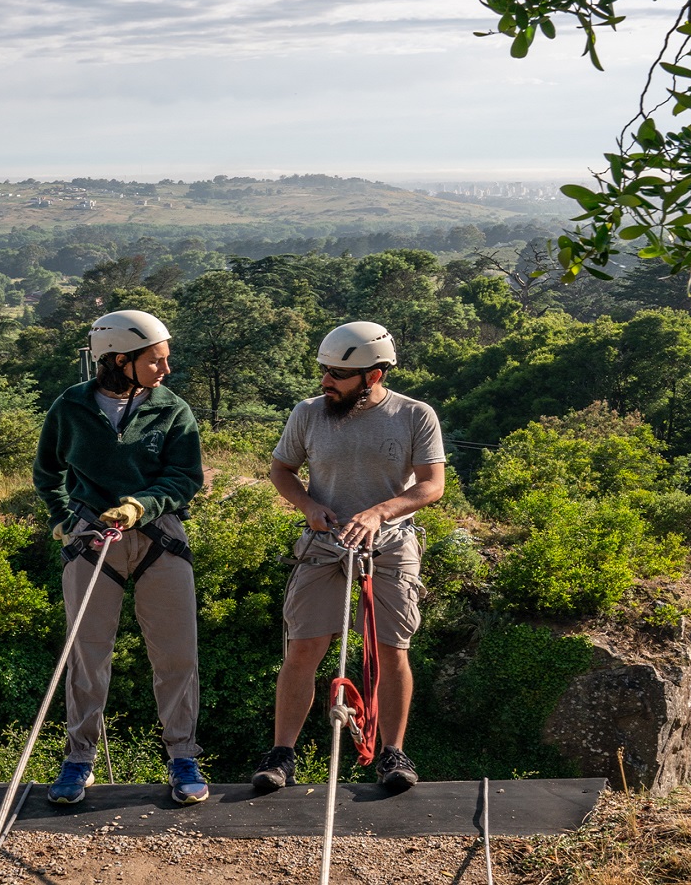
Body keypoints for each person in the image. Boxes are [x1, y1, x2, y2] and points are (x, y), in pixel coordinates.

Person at [252, 321, 446, 794]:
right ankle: (282, 755)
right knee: (302, 650)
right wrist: (307, 504)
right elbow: (281, 470)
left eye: (338, 373)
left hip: (389, 545)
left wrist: (380, 512)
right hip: (322, 546)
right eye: (325, 370)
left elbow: (430, 485)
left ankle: (392, 753)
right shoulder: (308, 413)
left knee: (390, 652)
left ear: (374, 376)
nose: (326, 382)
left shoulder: (415, 415)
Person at [33, 309, 209, 806]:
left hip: (159, 535)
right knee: (87, 653)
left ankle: (182, 755)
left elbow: (185, 477)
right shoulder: (71, 407)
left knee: (176, 653)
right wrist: (63, 516)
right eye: (155, 361)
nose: (166, 370)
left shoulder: (172, 408)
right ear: (119, 360)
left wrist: (140, 505)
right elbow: (47, 471)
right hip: (90, 534)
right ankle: (78, 759)